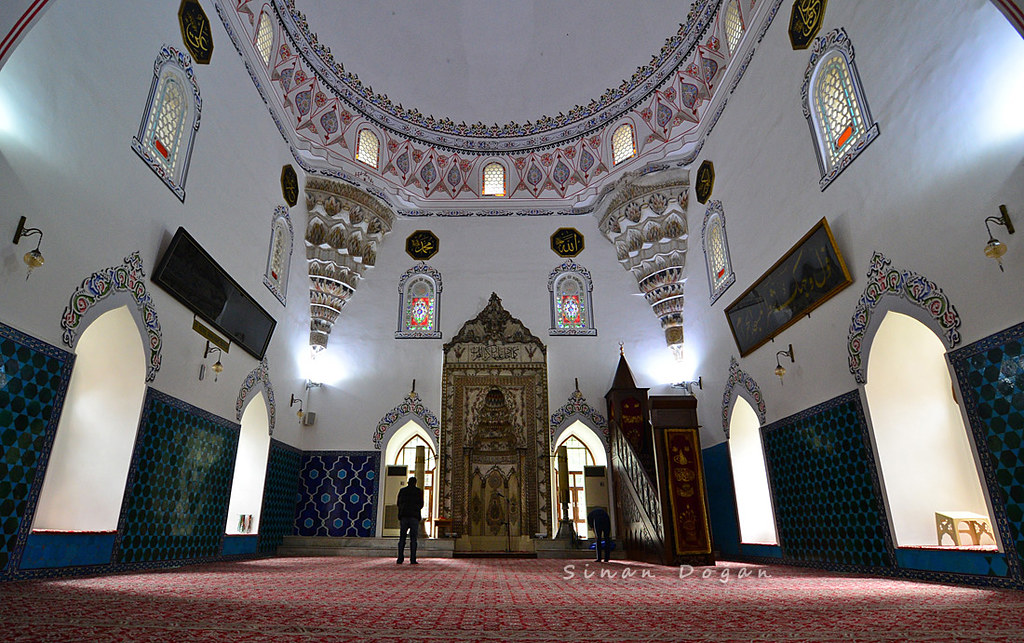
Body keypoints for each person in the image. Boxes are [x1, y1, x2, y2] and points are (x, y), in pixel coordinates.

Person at [396, 476, 424, 565]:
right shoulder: (418, 491)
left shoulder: (402, 491)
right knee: (413, 539)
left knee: (402, 538)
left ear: (408, 482)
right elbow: (421, 504)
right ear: (415, 483)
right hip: (414, 517)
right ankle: (413, 559)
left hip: (404, 516)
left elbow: (398, 503)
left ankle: (400, 558)